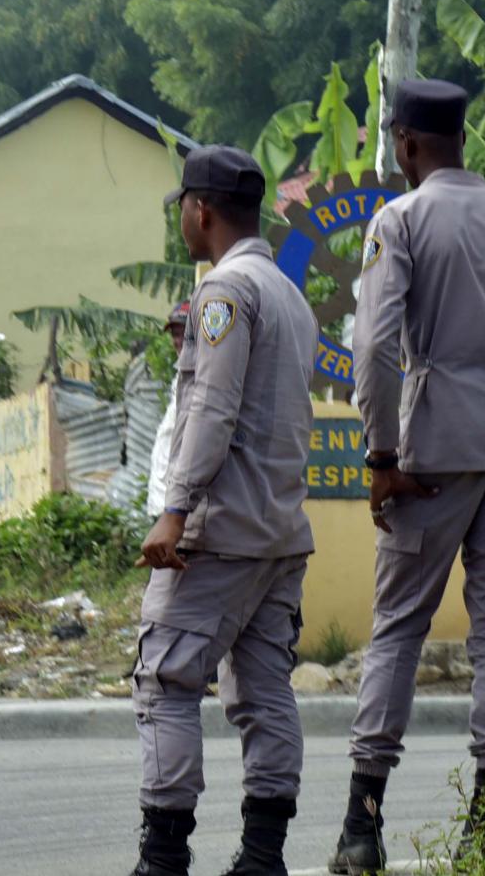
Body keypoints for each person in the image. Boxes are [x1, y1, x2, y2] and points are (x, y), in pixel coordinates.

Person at [330, 78, 485, 874]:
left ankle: (362, 820)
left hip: (429, 459)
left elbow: (376, 348)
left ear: (408, 142)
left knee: (399, 631)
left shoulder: (401, 220)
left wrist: (382, 457)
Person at [133, 145, 318, 876]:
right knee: (264, 688)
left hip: (221, 531)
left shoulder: (222, 295)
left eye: (183, 202)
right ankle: (264, 856)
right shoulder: (289, 295)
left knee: (167, 680)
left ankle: (163, 856)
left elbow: (209, 409)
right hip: (279, 532)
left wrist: (174, 511)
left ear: (200, 209)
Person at [143, 300, 193, 521]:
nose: (178, 341)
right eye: (175, 334)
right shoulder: (180, 378)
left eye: (185, 333)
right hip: (164, 504)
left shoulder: (203, 377)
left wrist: (176, 509)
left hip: (178, 510)